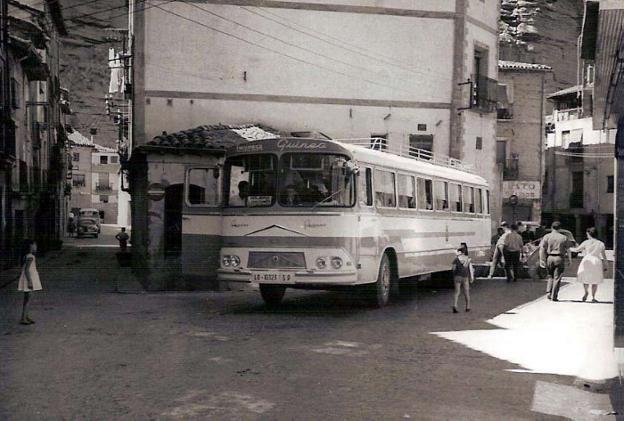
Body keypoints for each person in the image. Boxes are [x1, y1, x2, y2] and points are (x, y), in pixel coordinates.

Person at [569, 227, 608, 302]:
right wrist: (606, 265)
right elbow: (604, 256)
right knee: (595, 280)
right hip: (596, 261)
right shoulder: (600, 243)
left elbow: (577, 250)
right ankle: (593, 297)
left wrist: (569, 248)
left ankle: (586, 292)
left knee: (585, 278)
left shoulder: (586, 242)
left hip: (587, 260)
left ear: (589, 234)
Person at [539, 221, 571, 301]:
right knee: (557, 277)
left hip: (549, 257)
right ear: (560, 229)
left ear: (551, 228)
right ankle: (554, 295)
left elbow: (542, 249)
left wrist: (541, 259)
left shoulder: (547, 236)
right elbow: (568, 250)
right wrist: (569, 260)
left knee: (550, 276)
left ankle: (548, 292)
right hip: (559, 258)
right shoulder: (564, 237)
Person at [17, 240, 42, 325]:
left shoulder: (27, 256)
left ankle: (25, 316)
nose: (36, 247)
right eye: (35, 245)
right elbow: (27, 270)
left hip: (27, 279)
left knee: (27, 299)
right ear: (30, 246)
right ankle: (23, 318)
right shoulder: (31, 256)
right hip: (29, 279)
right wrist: (30, 282)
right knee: (28, 299)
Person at [451, 247, 474, 313]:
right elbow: (470, 269)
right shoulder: (468, 259)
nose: (457, 252)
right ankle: (468, 307)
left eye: (458, 251)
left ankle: (455, 305)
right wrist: (472, 277)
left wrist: (454, 273)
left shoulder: (456, 259)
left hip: (457, 277)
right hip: (465, 277)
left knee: (457, 292)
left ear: (461, 252)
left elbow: (453, 269)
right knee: (466, 292)